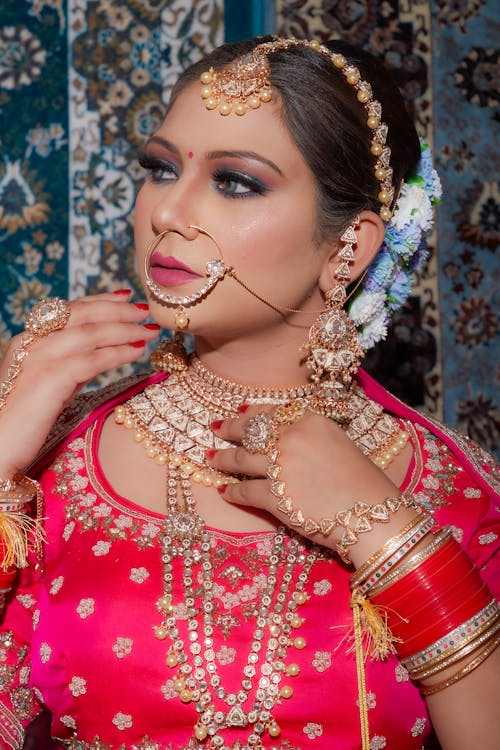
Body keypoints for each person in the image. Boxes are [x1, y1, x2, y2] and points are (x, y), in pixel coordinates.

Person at [0, 36, 498, 750]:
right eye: (160, 169)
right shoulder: (62, 462)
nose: (167, 213)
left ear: (349, 248)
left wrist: (391, 538)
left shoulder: (453, 491)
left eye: (236, 181)